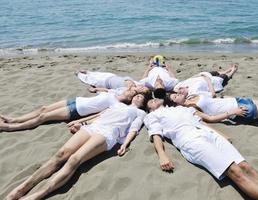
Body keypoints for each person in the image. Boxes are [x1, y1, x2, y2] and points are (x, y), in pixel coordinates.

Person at [5, 93, 148, 200]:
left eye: (141, 97)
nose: (137, 97)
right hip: (94, 127)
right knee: (60, 154)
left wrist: (125, 144)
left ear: (143, 103)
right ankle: (23, 187)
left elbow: (133, 129)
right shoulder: (117, 104)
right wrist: (82, 123)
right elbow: (100, 116)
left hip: (108, 133)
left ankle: (38, 194)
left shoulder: (140, 113)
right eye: (137, 95)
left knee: (74, 159)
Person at [144, 98, 258, 200]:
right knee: (234, 171)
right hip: (190, 140)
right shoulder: (151, 116)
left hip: (208, 133)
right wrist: (162, 155)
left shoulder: (182, 108)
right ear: (148, 108)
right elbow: (156, 134)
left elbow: (202, 121)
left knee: (246, 166)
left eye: (154, 97)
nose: (153, 99)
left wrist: (220, 134)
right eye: (149, 101)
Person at [0, 89, 137, 132]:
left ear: (129, 99)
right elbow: (101, 90)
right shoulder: (113, 93)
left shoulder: (117, 104)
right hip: (76, 100)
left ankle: (10, 127)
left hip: (76, 111)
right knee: (44, 108)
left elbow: (100, 114)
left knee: (44, 117)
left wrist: (81, 121)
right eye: (131, 91)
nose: (130, 92)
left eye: (132, 94)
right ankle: (14, 119)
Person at [169, 93, 258, 125]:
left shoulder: (192, 95)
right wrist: (232, 112)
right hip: (237, 109)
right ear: (176, 104)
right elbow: (211, 118)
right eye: (175, 96)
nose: (178, 94)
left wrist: (226, 96)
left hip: (235, 100)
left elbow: (213, 97)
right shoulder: (192, 109)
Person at [174, 64, 238, 98]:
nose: (179, 90)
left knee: (213, 72)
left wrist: (198, 75)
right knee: (224, 77)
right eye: (180, 93)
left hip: (202, 77)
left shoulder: (180, 86)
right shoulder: (193, 93)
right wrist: (208, 80)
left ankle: (226, 70)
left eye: (178, 91)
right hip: (211, 82)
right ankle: (232, 71)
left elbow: (190, 79)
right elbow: (213, 95)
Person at [76, 70, 150, 95]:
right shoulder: (137, 84)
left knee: (89, 80)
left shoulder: (127, 92)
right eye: (144, 87)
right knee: (95, 74)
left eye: (143, 89)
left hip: (104, 83)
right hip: (112, 76)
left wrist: (96, 89)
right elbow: (127, 77)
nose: (142, 86)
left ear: (140, 92)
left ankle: (78, 74)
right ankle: (88, 72)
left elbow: (110, 91)